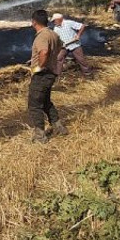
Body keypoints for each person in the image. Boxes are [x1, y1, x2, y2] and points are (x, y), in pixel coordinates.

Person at [28, 9, 67, 143]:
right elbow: (61, 47)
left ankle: (40, 136)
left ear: (34, 22)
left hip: (42, 75)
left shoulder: (42, 36)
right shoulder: (53, 34)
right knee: (45, 103)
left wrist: (38, 67)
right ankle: (59, 128)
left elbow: (44, 52)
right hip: (51, 73)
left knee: (34, 105)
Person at [50, 13, 93, 77]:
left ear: (59, 19)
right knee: (59, 58)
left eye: (54, 21)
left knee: (80, 59)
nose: (54, 22)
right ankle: (57, 74)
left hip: (74, 45)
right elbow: (56, 38)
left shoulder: (69, 23)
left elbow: (82, 26)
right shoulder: (56, 28)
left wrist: (78, 35)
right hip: (64, 46)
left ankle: (87, 73)